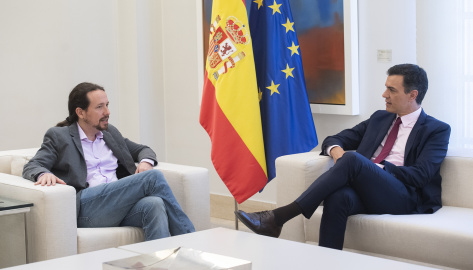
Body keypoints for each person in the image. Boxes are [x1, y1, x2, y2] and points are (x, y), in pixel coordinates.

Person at [235, 64, 451, 249]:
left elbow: (421, 175)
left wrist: (377, 169)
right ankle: (328, 263)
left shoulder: (436, 130)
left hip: (404, 196)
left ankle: (278, 217)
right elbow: (334, 139)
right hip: (369, 190)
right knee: (338, 197)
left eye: (391, 90)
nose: (384, 94)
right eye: (385, 88)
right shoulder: (380, 119)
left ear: (412, 95)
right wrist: (338, 152)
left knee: (354, 160)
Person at [23, 82, 195, 240]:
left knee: (154, 204)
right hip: (87, 208)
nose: (107, 112)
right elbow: (33, 165)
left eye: (107, 105)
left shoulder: (110, 133)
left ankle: (160, 263)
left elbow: (143, 150)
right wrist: (43, 173)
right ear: (80, 112)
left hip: (115, 205)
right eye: (99, 107)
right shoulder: (60, 136)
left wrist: (145, 162)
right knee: (153, 178)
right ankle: (190, 240)